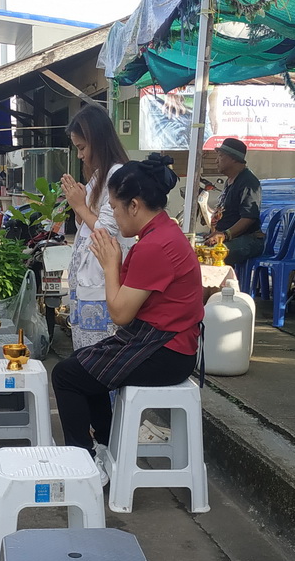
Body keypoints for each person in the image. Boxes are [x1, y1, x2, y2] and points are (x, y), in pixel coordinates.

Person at [52, 154, 204, 484]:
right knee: (84, 363)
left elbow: (120, 314)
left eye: (115, 208)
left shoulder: (155, 246)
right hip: (165, 342)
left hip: (166, 351)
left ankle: (84, 464)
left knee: (66, 376)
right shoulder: (163, 232)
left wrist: (110, 265)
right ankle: (107, 447)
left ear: (134, 205)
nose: (113, 217)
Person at [60, 104, 135, 351]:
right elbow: (85, 224)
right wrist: (78, 206)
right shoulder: (99, 175)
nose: (79, 155)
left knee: (99, 354)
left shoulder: (118, 175)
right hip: (87, 280)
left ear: (98, 141)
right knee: (85, 353)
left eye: (82, 148)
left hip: (102, 283)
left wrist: (80, 206)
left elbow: (106, 232)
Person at [204, 137, 263, 266]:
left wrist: (225, 235)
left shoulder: (248, 182)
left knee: (210, 255)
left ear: (234, 158)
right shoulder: (229, 181)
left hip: (248, 239)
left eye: (220, 156)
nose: (216, 160)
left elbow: (249, 218)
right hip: (229, 237)